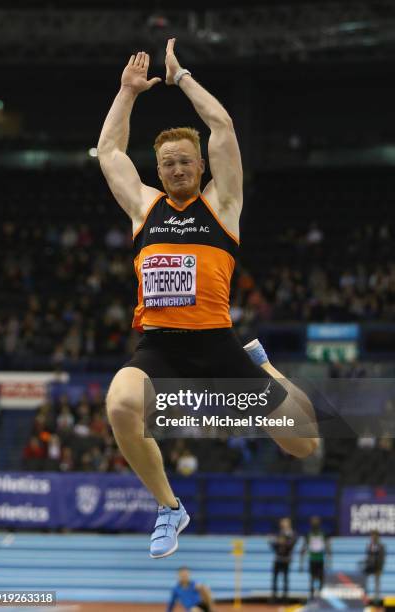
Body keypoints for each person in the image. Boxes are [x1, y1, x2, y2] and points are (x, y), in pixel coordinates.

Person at [97, 38, 319, 559]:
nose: (176, 169)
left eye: (185, 162)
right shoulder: (144, 210)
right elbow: (109, 152)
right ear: (158, 169)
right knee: (121, 403)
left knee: (302, 442)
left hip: (218, 345)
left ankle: (262, 367)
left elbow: (223, 128)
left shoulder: (222, 204)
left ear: (200, 167)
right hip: (159, 348)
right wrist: (127, 92)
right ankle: (170, 509)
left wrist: (182, 79)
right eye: (168, 163)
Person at [300, 516, 331, 599]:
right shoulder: (308, 534)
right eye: (313, 522)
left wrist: (329, 561)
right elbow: (303, 549)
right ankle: (312, 596)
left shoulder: (323, 534)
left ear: (319, 524)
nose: (315, 524)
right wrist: (301, 563)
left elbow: (328, 548)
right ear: (311, 524)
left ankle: (321, 596)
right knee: (312, 579)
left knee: (321, 579)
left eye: (316, 522)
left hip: (320, 559)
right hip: (312, 559)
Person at [269, 517, 297, 601]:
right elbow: (274, 544)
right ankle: (274, 596)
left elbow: (291, 544)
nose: (282, 525)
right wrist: (274, 543)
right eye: (282, 523)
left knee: (285, 578)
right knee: (275, 578)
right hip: (278, 558)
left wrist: (283, 542)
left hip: (286, 559)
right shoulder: (279, 533)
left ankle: (285, 597)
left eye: (284, 523)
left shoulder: (292, 533)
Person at [363, 530, 385, 604]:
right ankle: (365, 597)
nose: (373, 537)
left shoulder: (381, 546)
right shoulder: (369, 545)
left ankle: (377, 599)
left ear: (378, 537)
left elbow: (382, 558)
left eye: (375, 536)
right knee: (365, 582)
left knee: (377, 583)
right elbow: (367, 556)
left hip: (377, 567)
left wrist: (380, 568)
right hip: (369, 567)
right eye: (372, 536)